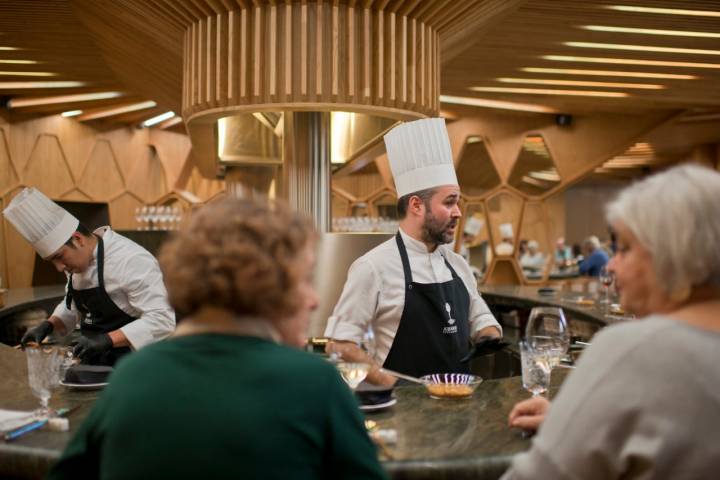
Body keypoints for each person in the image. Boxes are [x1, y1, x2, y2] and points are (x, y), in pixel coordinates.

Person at [48, 197, 387, 480]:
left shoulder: (131, 377)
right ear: (263, 285)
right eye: (303, 279)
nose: (313, 299)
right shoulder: (315, 383)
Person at [502, 164, 720, 479]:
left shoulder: (635, 350)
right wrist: (576, 422)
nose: (612, 265)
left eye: (626, 249)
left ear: (674, 255)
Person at [326, 118, 502, 384]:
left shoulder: (457, 264)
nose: (458, 212)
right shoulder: (373, 267)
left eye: (458, 202)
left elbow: (480, 319)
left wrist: (488, 335)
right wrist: (391, 384)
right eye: (449, 202)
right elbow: (339, 345)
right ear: (417, 206)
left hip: (461, 405)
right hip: (405, 414)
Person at [3, 188, 174, 365]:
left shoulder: (131, 259)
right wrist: (48, 325)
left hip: (135, 363)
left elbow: (162, 319)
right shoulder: (76, 263)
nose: (59, 268)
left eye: (59, 257)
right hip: (95, 362)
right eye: (51, 261)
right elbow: (74, 306)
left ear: (78, 239)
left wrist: (107, 340)